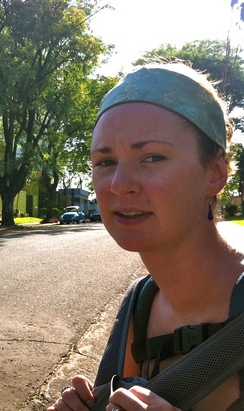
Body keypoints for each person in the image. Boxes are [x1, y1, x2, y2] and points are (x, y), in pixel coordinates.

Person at [49, 63, 244, 410]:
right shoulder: (139, 304)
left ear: (215, 173)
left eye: (152, 157)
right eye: (105, 162)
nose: (119, 185)